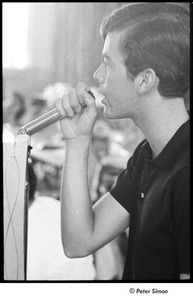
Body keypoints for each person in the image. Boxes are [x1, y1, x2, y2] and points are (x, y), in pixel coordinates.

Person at [54, 3, 190, 280]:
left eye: (107, 62)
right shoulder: (147, 156)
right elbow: (79, 242)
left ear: (144, 80)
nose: (97, 76)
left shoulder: (186, 178)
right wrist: (78, 141)